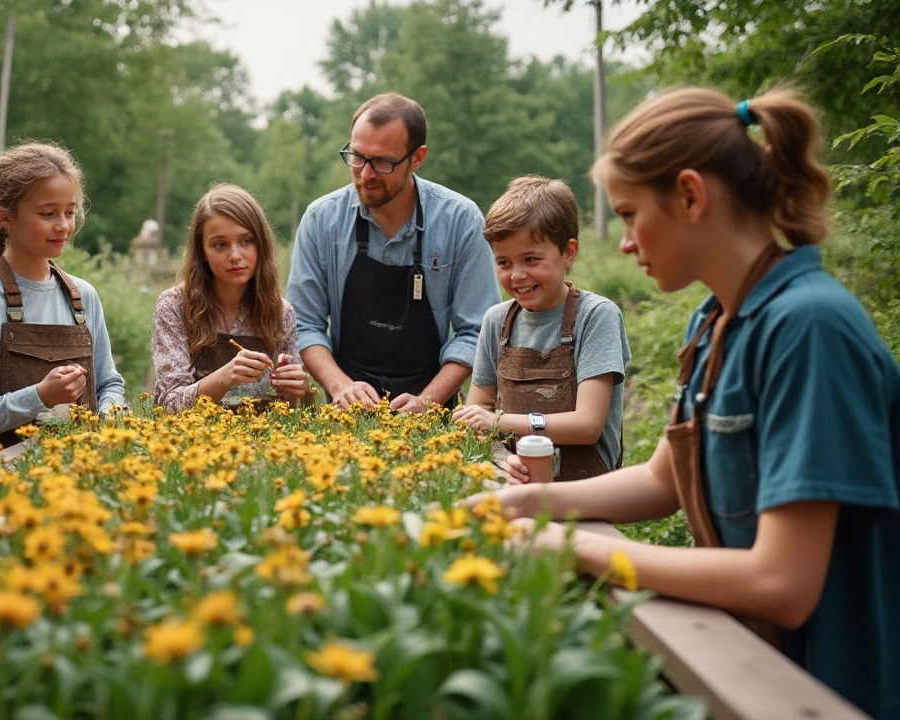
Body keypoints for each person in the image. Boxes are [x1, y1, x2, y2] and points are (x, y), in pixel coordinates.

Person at [477, 87, 899, 719]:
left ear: (691, 196)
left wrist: (576, 547)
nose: (622, 243)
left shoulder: (810, 330)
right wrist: (523, 502)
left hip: (828, 686)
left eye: (627, 214)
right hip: (754, 667)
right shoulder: (716, 322)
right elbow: (661, 479)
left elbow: (781, 584)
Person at [287, 92, 499, 413]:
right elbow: (304, 324)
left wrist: (427, 401)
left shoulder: (460, 221)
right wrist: (340, 386)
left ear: (417, 158)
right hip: (346, 411)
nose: (366, 174)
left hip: (432, 412)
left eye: (382, 162)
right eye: (357, 157)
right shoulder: (321, 220)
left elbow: (477, 331)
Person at [0, 142, 125, 447]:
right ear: (5, 217)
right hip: (3, 483)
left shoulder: (83, 296)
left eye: (69, 212)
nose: (63, 225)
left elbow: (109, 384)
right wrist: (40, 396)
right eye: (48, 213)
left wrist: (109, 421)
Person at [453, 176, 630, 481]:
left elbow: (587, 426)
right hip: (514, 481)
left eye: (531, 259)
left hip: (587, 489)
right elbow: (477, 414)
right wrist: (498, 458)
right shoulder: (496, 321)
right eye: (504, 263)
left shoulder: (596, 316)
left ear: (569, 252)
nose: (517, 275)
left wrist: (500, 422)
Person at [151, 183, 307, 411]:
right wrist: (224, 377)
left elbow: (291, 411)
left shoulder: (281, 312)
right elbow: (168, 404)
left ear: (261, 244)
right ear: (202, 251)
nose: (235, 255)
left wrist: (296, 390)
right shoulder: (175, 306)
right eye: (220, 245)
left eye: (246, 241)